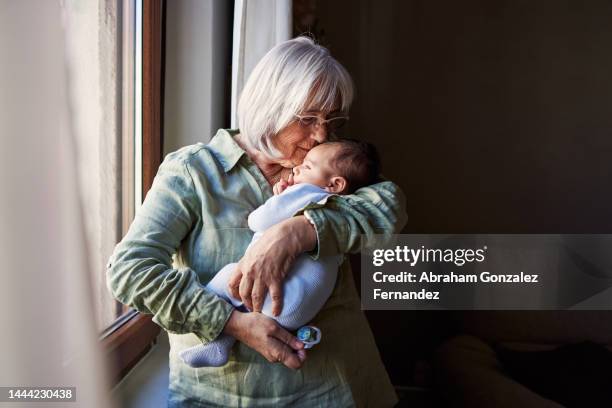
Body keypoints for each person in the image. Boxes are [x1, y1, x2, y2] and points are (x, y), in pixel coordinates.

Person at [106, 36, 407, 407]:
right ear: (271, 105)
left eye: (330, 119)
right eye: (308, 118)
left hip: (334, 390)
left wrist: (299, 231)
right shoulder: (194, 172)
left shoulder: (325, 163)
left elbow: (389, 206)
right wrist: (230, 323)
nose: (322, 134)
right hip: (220, 396)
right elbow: (129, 272)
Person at [179, 139, 381, 368]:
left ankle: (218, 339)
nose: (297, 169)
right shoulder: (342, 203)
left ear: (334, 184)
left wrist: (279, 199)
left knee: (229, 277)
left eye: (307, 167)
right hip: (299, 312)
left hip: (278, 300)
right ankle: (280, 341)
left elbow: (258, 220)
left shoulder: (307, 191)